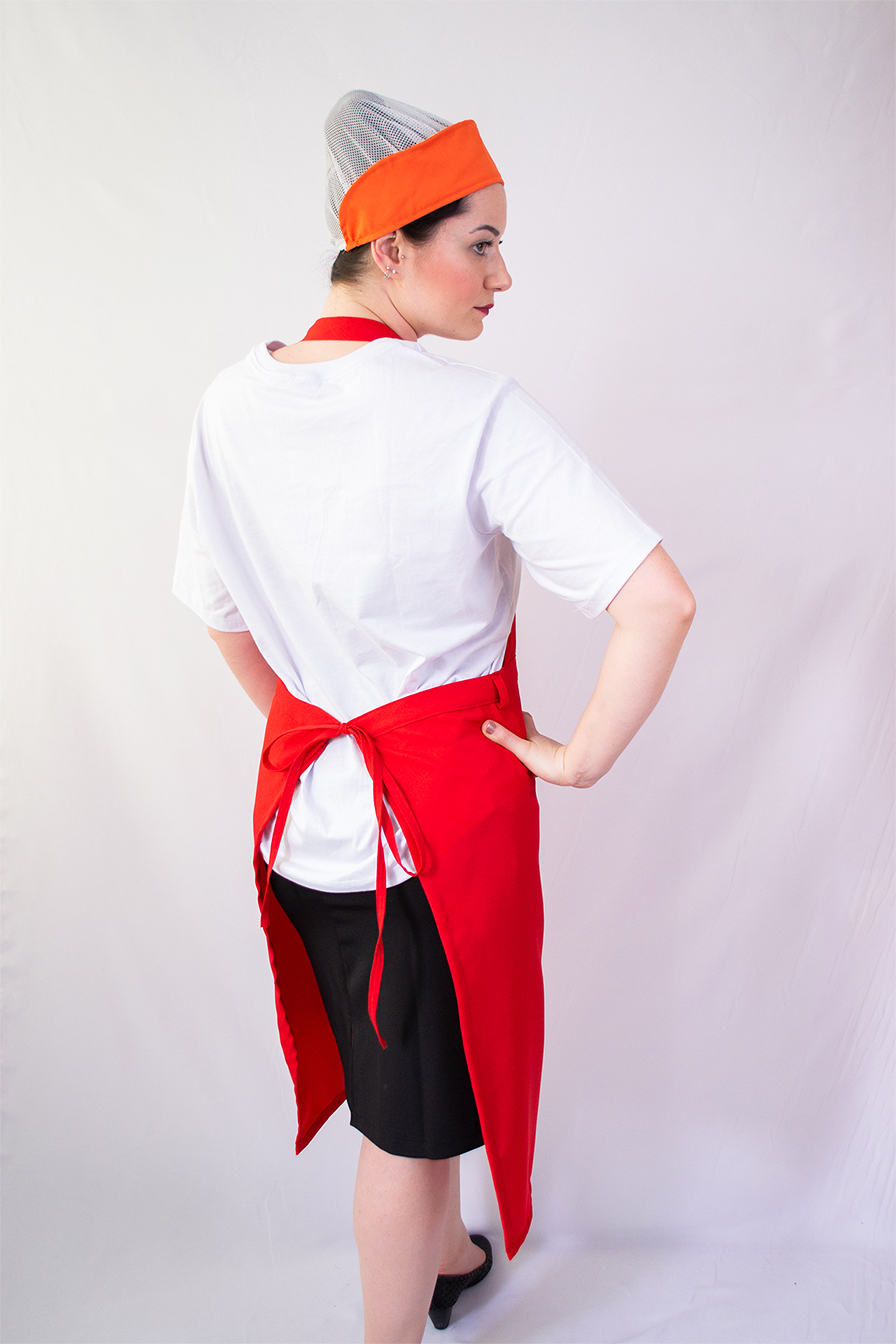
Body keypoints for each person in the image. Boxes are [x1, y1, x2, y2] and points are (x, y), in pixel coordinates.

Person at [174, 89, 695, 1344]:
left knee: (402, 1079)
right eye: (480, 243)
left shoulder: (229, 402)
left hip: (302, 829)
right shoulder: (470, 413)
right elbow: (659, 601)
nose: (502, 277)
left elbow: (217, 609)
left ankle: (453, 1254)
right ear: (390, 246)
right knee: (404, 1137)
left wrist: (312, 732)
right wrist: (575, 759)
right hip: (429, 850)